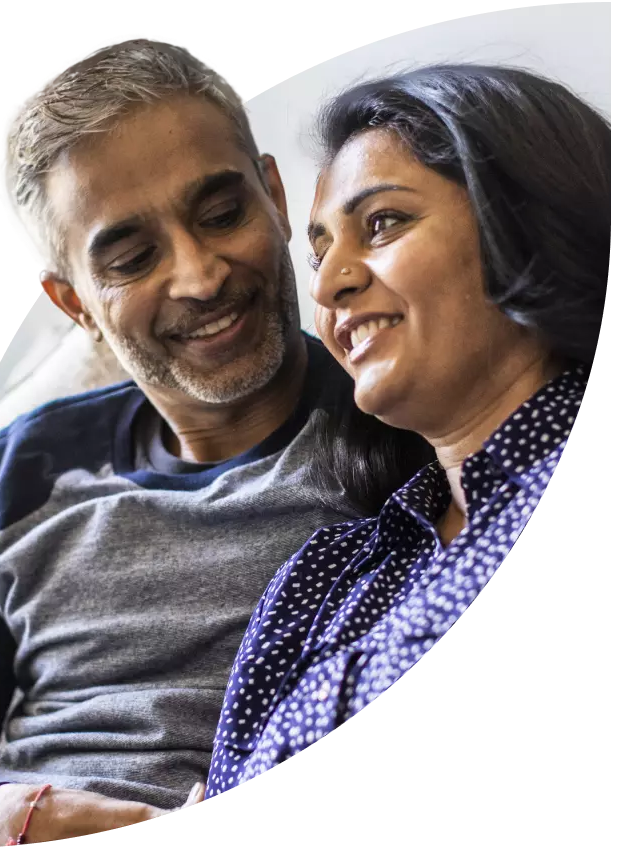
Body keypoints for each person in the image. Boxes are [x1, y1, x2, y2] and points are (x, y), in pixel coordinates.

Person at [0, 38, 432, 849]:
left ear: (276, 197)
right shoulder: (17, 474)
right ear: (74, 302)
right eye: (133, 257)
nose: (201, 276)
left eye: (221, 213)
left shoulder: (407, 425)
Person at [206, 63, 611, 799]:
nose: (327, 288)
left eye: (383, 223)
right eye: (321, 252)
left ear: (521, 217)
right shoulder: (322, 578)